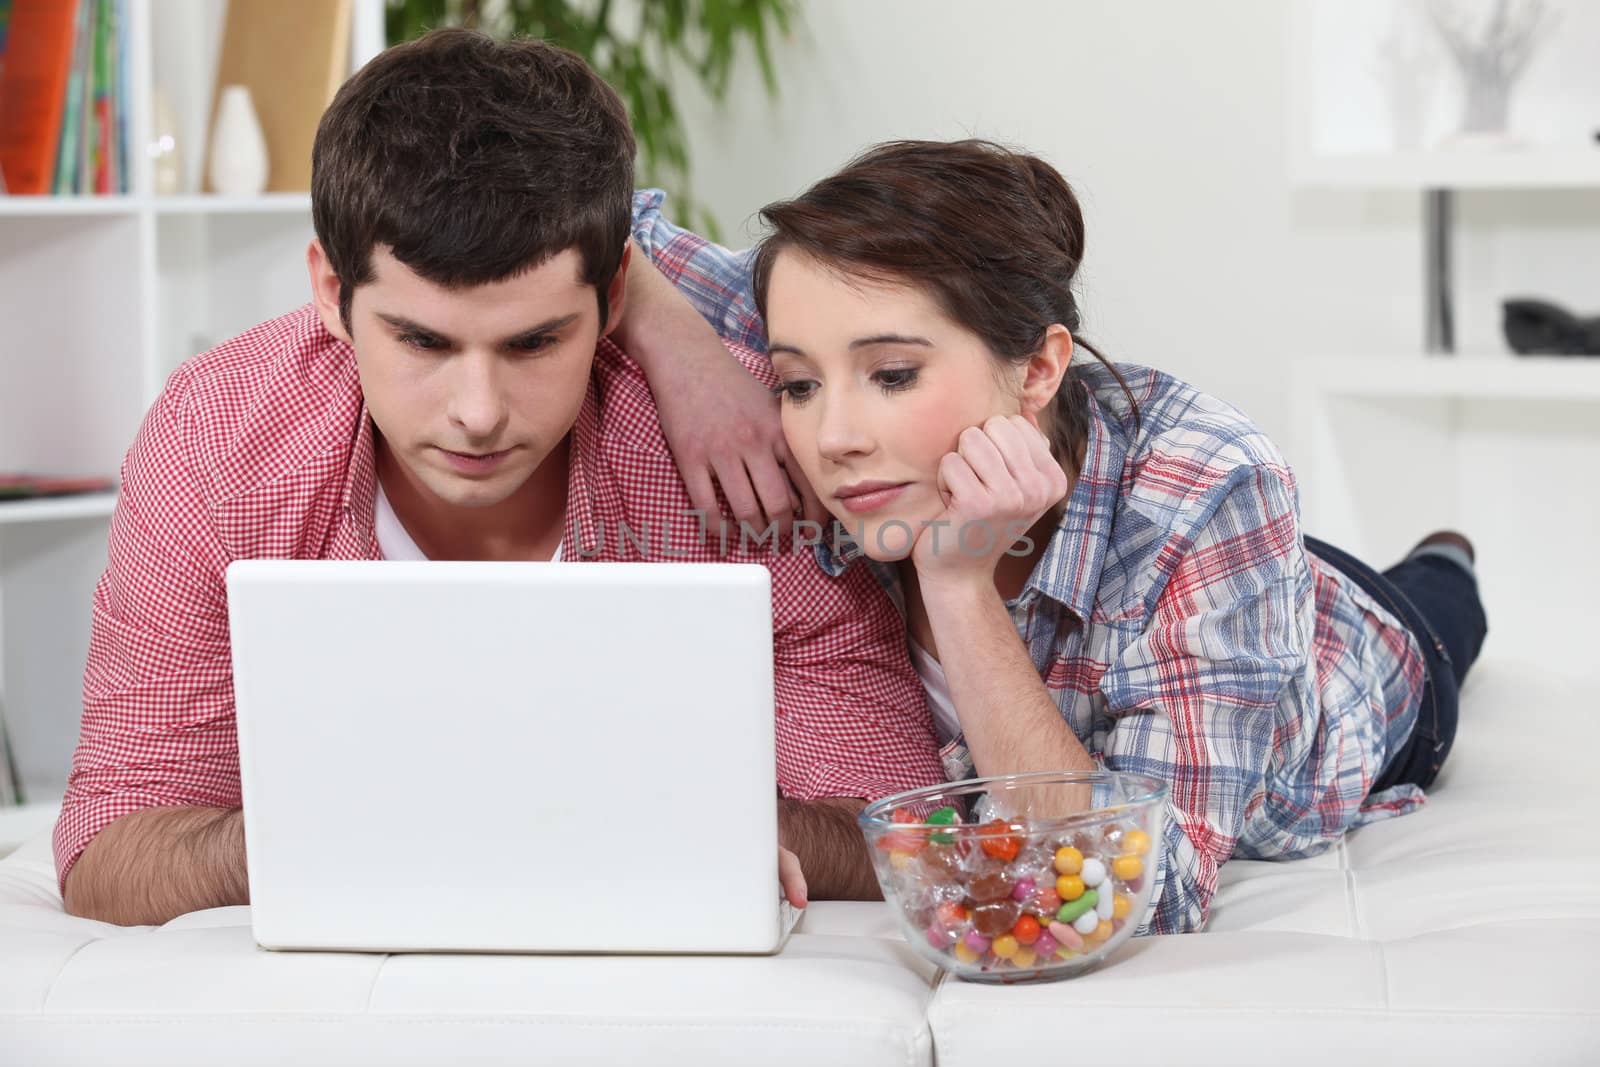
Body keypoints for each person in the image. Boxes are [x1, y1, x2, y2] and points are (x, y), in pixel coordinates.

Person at [54, 31, 945, 927]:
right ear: (330, 292)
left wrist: (647, 828)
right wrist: (346, 826)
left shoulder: (728, 456)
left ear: (616, 293)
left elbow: (901, 820)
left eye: (533, 342)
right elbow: (110, 849)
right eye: (422, 341)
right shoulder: (218, 440)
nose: (477, 412)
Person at [630, 139, 1489, 935]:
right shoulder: (820, 303)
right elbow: (588, 229)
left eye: (893, 375)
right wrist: (675, 342)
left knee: (1439, 595)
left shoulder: (1215, 486)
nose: (832, 438)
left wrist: (960, 587)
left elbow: (1136, 890)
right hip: (1217, 583)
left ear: (1040, 368)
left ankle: (1448, 554)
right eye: (796, 383)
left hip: (1354, 654)